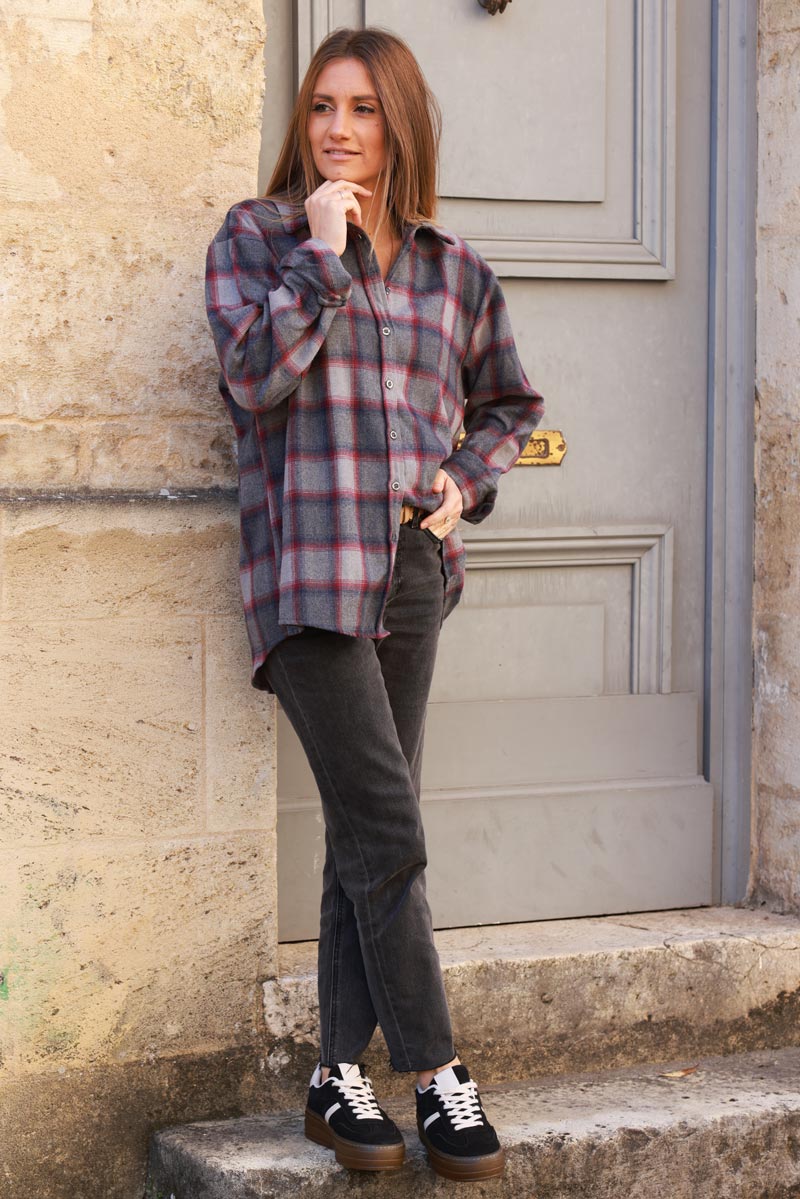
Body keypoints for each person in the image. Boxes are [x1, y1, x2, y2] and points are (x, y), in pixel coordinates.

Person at [205, 26, 543, 1183]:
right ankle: (439, 1076)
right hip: (306, 572)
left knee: (362, 826)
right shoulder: (256, 240)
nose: (339, 130)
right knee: (390, 830)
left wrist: (462, 481)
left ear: (400, 124)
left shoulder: (455, 271)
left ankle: (333, 1075)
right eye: (320, 109)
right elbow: (253, 378)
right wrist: (320, 253)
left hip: (409, 568)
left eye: (362, 109)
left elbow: (508, 403)